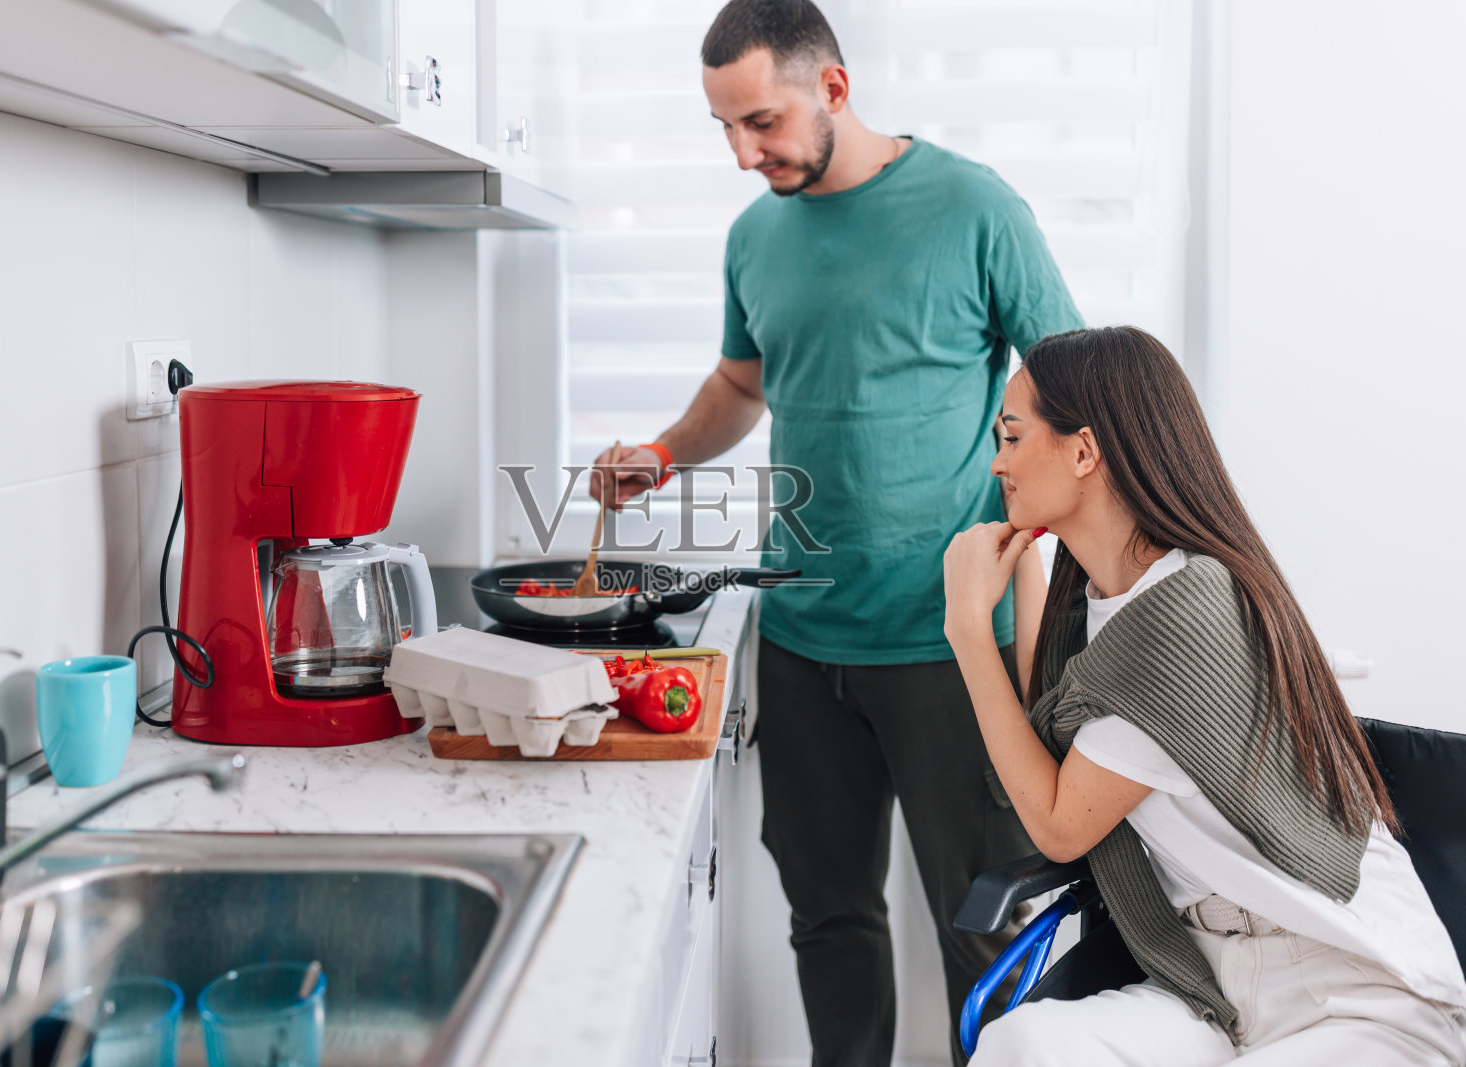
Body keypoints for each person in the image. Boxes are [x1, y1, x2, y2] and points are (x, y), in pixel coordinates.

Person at [588, 1, 1082, 1062]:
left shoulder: (973, 208)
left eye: (760, 122)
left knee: (986, 926)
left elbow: (1076, 383)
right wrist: (663, 453)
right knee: (829, 919)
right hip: (804, 642)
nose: (742, 153)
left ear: (834, 88)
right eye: (724, 128)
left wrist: (1040, 539)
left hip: (953, 645)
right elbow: (742, 382)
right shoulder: (754, 236)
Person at [942, 325, 1466, 1065]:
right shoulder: (1104, 599)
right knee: (1021, 1043)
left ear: (1084, 451)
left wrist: (968, 631)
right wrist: (1021, 557)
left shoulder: (1189, 612)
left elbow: (1058, 824)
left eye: (1013, 436)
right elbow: (1048, 724)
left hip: (1357, 989)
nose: (998, 461)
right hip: (1210, 982)